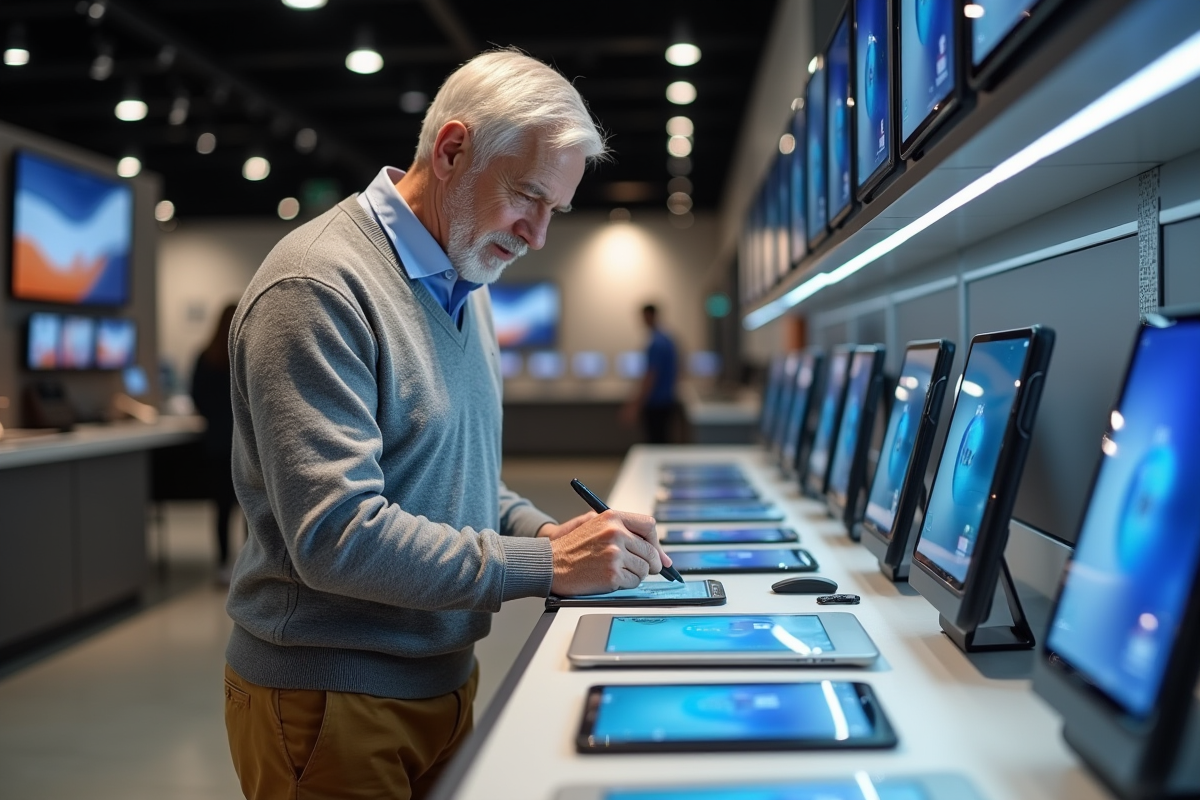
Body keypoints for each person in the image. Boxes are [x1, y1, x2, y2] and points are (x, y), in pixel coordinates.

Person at [221, 49, 674, 800]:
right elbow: (337, 537)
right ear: (453, 148)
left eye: (553, 211)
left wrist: (550, 535)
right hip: (332, 696)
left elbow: (451, 477)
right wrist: (548, 568)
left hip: (443, 677)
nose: (536, 235)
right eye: (527, 196)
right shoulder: (318, 286)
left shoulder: (468, 280)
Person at [191, 302, 238, 582]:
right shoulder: (249, 354)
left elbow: (196, 397)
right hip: (245, 444)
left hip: (218, 442)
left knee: (221, 508)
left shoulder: (205, 357)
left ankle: (222, 564)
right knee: (250, 508)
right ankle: (248, 561)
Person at [622, 303, 680, 443]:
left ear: (650, 316)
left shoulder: (656, 343)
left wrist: (635, 405)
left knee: (656, 441)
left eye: (643, 317)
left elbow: (651, 376)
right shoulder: (667, 339)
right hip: (667, 398)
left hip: (656, 402)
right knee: (663, 439)